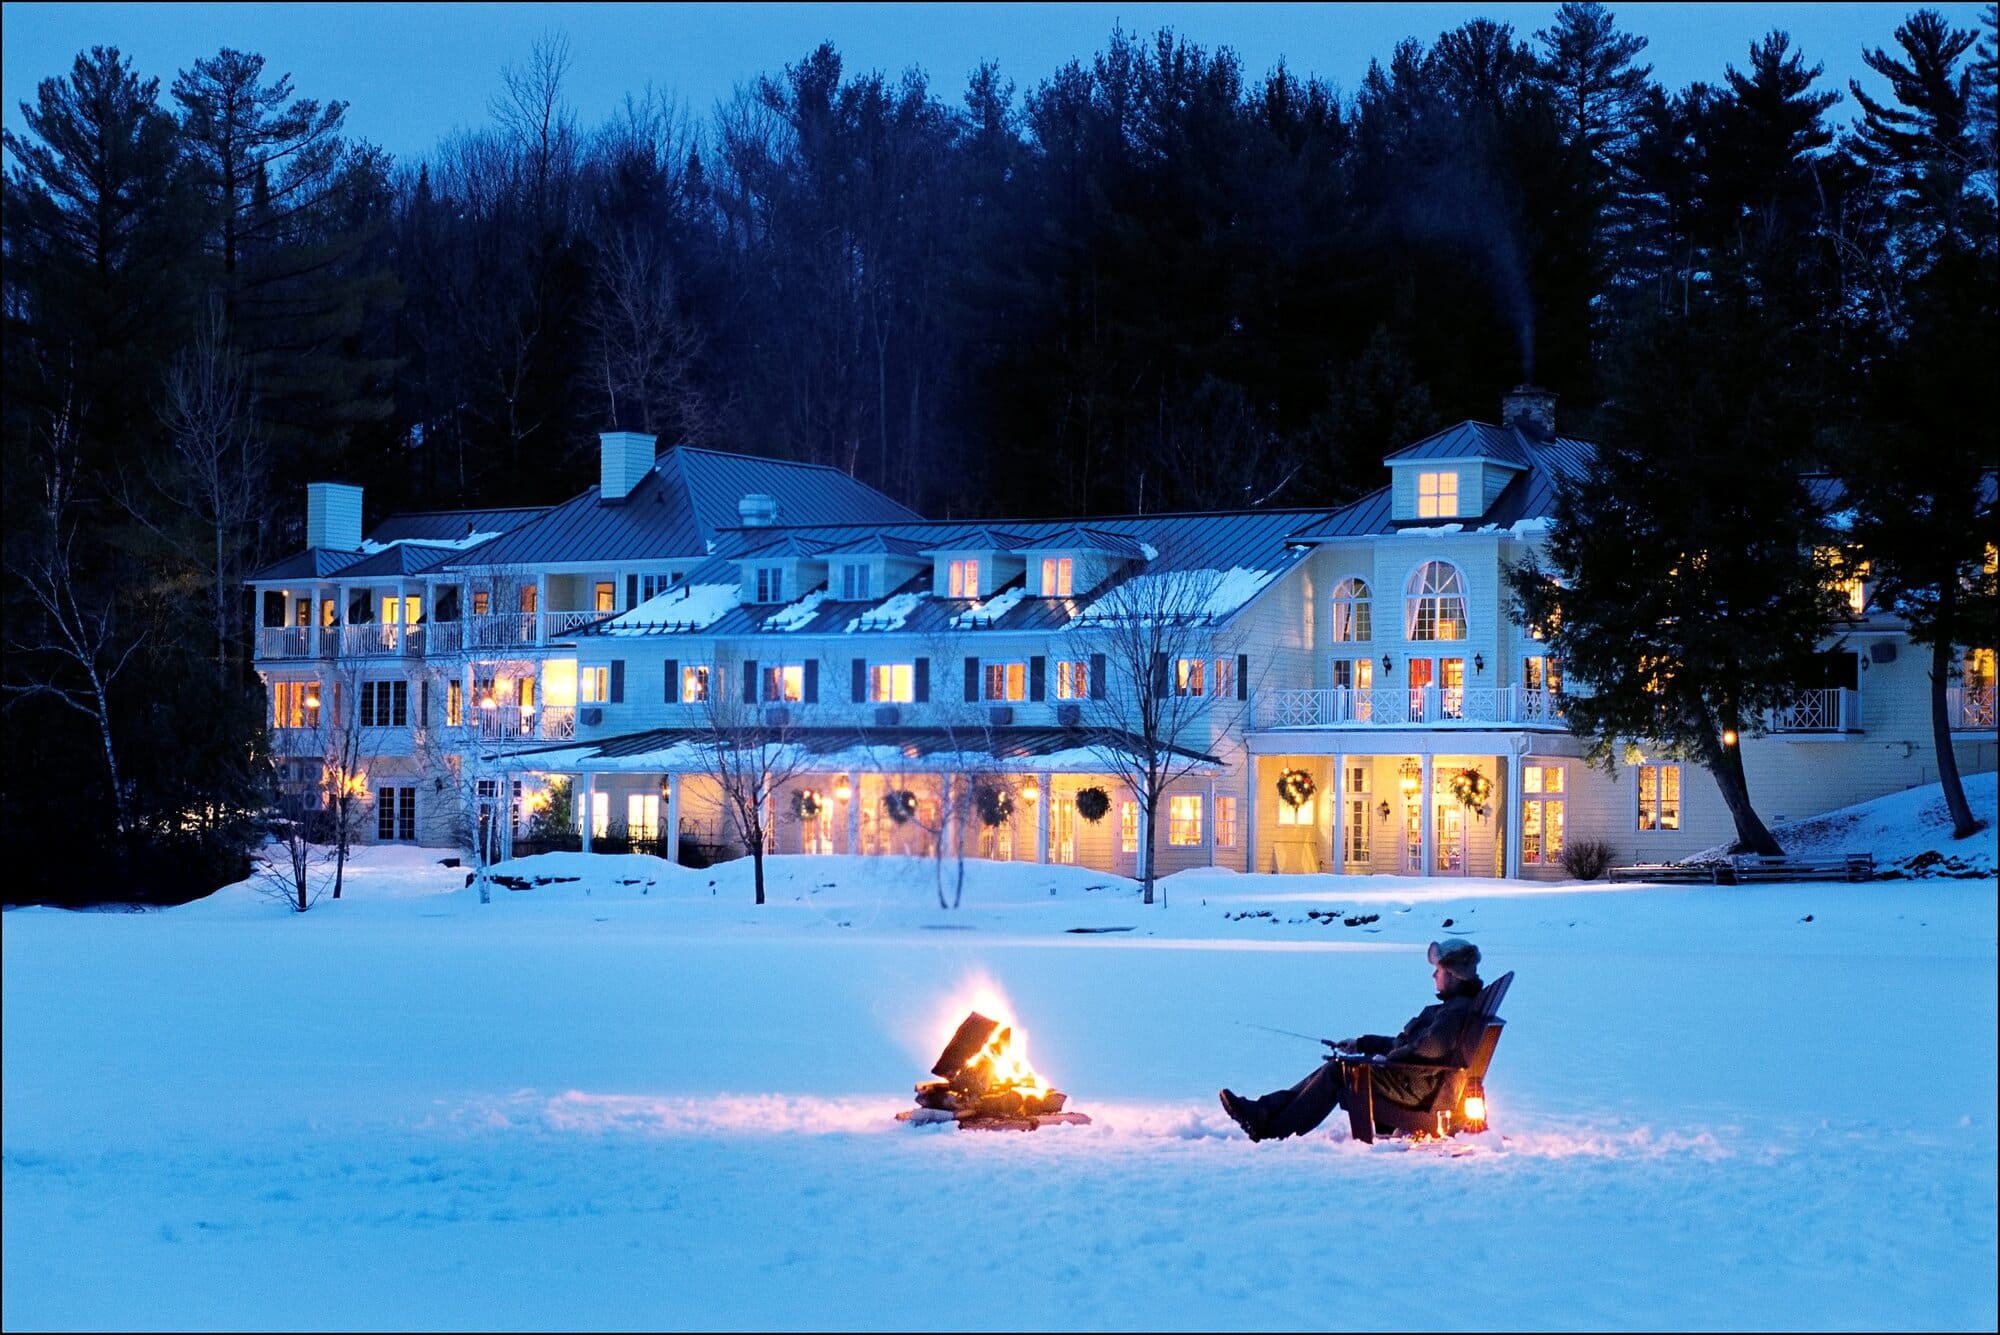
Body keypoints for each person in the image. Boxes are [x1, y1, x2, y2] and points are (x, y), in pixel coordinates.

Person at [1219, 938, 1485, 1142]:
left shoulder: (1454, 1012)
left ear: (1452, 975)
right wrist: (1362, 1044)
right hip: (1412, 1079)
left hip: (1415, 1087)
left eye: (1438, 970)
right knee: (1341, 1064)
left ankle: (1272, 1129)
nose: (1433, 975)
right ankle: (1264, 1111)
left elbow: (1424, 1050)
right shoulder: (1452, 1007)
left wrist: (1382, 1060)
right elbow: (1411, 1047)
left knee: (1340, 1071)